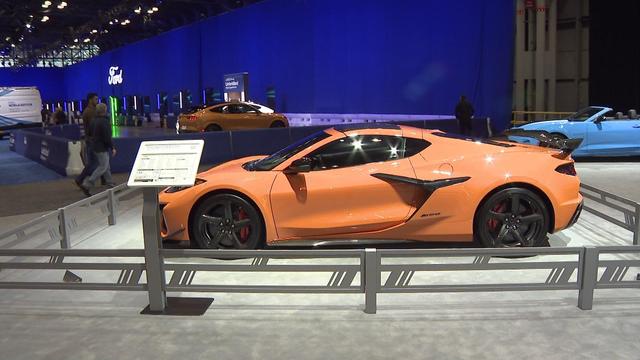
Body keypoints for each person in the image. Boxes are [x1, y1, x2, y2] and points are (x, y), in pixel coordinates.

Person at [79, 103, 116, 196]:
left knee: (106, 166)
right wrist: (112, 147)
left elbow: (89, 132)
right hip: (102, 147)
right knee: (103, 167)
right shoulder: (104, 122)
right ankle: (87, 184)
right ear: (105, 110)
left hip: (94, 146)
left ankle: (110, 183)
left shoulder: (93, 121)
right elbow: (107, 136)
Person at [75, 93, 103, 189]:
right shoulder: (90, 112)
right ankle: (81, 179)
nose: (97, 101)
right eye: (95, 99)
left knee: (99, 162)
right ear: (90, 100)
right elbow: (94, 126)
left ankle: (103, 180)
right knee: (95, 162)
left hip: (91, 139)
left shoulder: (89, 111)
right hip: (93, 140)